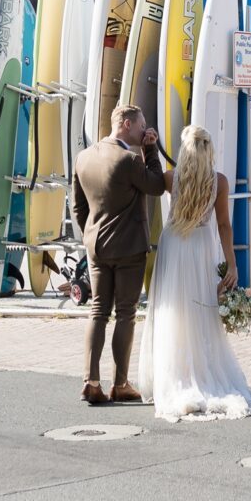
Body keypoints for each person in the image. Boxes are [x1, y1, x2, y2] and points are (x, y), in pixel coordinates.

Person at [138, 125, 251, 422]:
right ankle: (200, 371)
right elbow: (224, 225)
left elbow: (151, 175)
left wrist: (149, 146)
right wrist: (232, 265)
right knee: (199, 313)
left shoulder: (172, 179)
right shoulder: (218, 182)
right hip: (199, 247)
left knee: (173, 311)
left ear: (184, 150)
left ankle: (174, 374)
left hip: (174, 245)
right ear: (209, 149)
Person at [72, 104, 165, 405]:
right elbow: (156, 185)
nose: (144, 131)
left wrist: (90, 234)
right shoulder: (127, 160)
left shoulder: (84, 157)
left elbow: (78, 207)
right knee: (125, 313)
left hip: (96, 245)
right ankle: (121, 383)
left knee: (98, 311)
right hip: (128, 248)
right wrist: (150, 151)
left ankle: (91, 381)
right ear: (126, 124)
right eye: (141, 126)